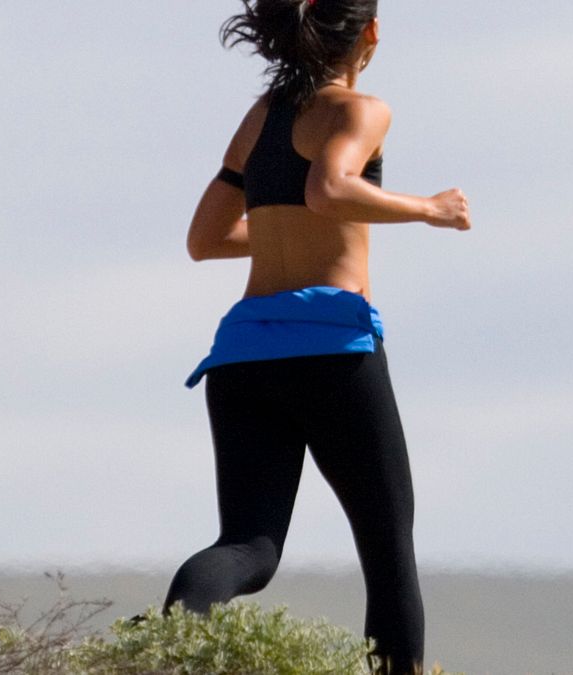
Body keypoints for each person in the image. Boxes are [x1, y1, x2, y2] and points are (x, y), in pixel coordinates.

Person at [153, 1, 471, 673]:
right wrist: (428, 209)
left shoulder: (261, 117)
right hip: (331, 350)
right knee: (387, 547)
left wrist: (279, 233)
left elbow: (204, 239)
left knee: (249, 548)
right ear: (371, 33)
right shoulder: (361, 111)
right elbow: (330, 189)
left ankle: (167, 648)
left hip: (242, 357)